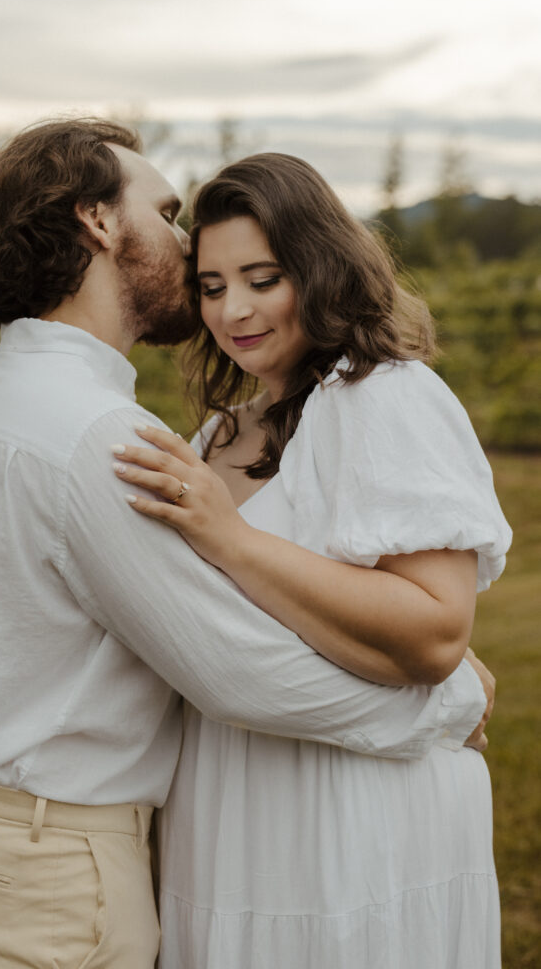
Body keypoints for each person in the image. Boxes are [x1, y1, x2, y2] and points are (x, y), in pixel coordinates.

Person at [0, 120, 494, 969]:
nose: (213, 290)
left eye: (261, 278)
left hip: (319, 819)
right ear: (100, 223)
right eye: (171, 217)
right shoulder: (119, 436)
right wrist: (447, 705)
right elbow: (233, 668)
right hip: (101, 855)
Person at [115, 152, 512, 968]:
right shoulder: (217, 436)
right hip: (229, 797)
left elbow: (435, 637)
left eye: (262, 278)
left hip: (358, 809)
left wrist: (232, 540)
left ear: (320, 267)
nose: (234, 310)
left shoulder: (383, 397)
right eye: (213, 286)